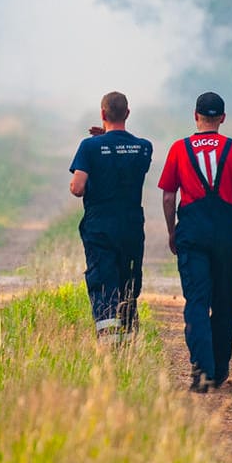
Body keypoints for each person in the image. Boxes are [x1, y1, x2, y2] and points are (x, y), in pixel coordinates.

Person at [158, 91, 232, 392]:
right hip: (228, 235)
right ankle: (219, 369)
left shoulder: (179, 149)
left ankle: (202, 373)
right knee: (226, 303)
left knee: (197, 302)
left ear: (195, 116)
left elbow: (167, 195)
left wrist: (171, 230)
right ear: (223, 118)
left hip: (192, 233)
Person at [68, 91, 154, 336]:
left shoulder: (89, 147)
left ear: (102, 114)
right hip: (131, 225)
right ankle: (127, 337)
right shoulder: (144, 147)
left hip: (100, 226)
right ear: (127, 113)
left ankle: (108, 342)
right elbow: (123, 158)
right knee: (128, 281)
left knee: (103, 280)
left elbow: (77, 188)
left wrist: (101, 143)